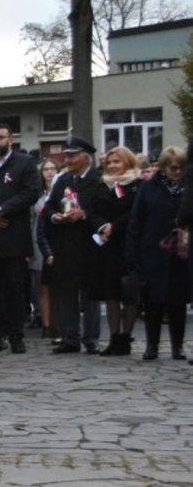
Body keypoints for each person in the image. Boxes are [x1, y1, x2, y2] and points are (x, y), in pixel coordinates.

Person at [0, 124, 42, 356]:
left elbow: (31, 192)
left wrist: (2, 210)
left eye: (0, 137)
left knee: (14, 288)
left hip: (13, 236)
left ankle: (16, 335)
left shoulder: (24, 164)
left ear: (10, 140)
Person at [41, 135, 106, 354]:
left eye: (72, 156)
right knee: (65, 292)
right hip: (66, 244)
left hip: (89, 245)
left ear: (86, 157)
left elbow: (103, 209)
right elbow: (48, 208)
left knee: (90, 294)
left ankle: (91, 338)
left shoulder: (98, 180)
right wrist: (55, 217)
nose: (67, 160)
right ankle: (70, 337)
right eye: (66, 156)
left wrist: (85, 214)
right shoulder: (63, 180)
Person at [128, 145, 189, 360]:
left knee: (178, 303)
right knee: (153, 302)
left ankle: (177, 346)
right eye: (174, 168)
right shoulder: (148, 188)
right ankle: (151, 345)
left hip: (180, 253)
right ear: (163, 167)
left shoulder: (187, 188)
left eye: (182, 168)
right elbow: (136, 221)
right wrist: (133, 254)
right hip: (153, 251)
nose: (178, 172)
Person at [86, 146, 142, 356]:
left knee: (128, 293)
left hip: (127, 244)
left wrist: (114, 226)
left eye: (116, 162)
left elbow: (135, 213)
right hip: (106, 246)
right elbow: (92, 211)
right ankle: (113, 337)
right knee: (110, 294)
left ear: (127, 162)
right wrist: (102, 226)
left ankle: (125, 338)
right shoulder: (102, 186)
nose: (112, 166)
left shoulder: (137, 185)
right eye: (109, 163)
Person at [32, 158, 59, 340]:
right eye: (46, 169)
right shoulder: (37, 196)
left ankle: (59, 323)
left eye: (53, 169)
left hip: (57, 241)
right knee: (43, 286)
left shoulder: (63, 192)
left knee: (58, 286)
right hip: (37, 241)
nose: (49, 172)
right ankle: (46, 323)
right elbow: (31, 221)